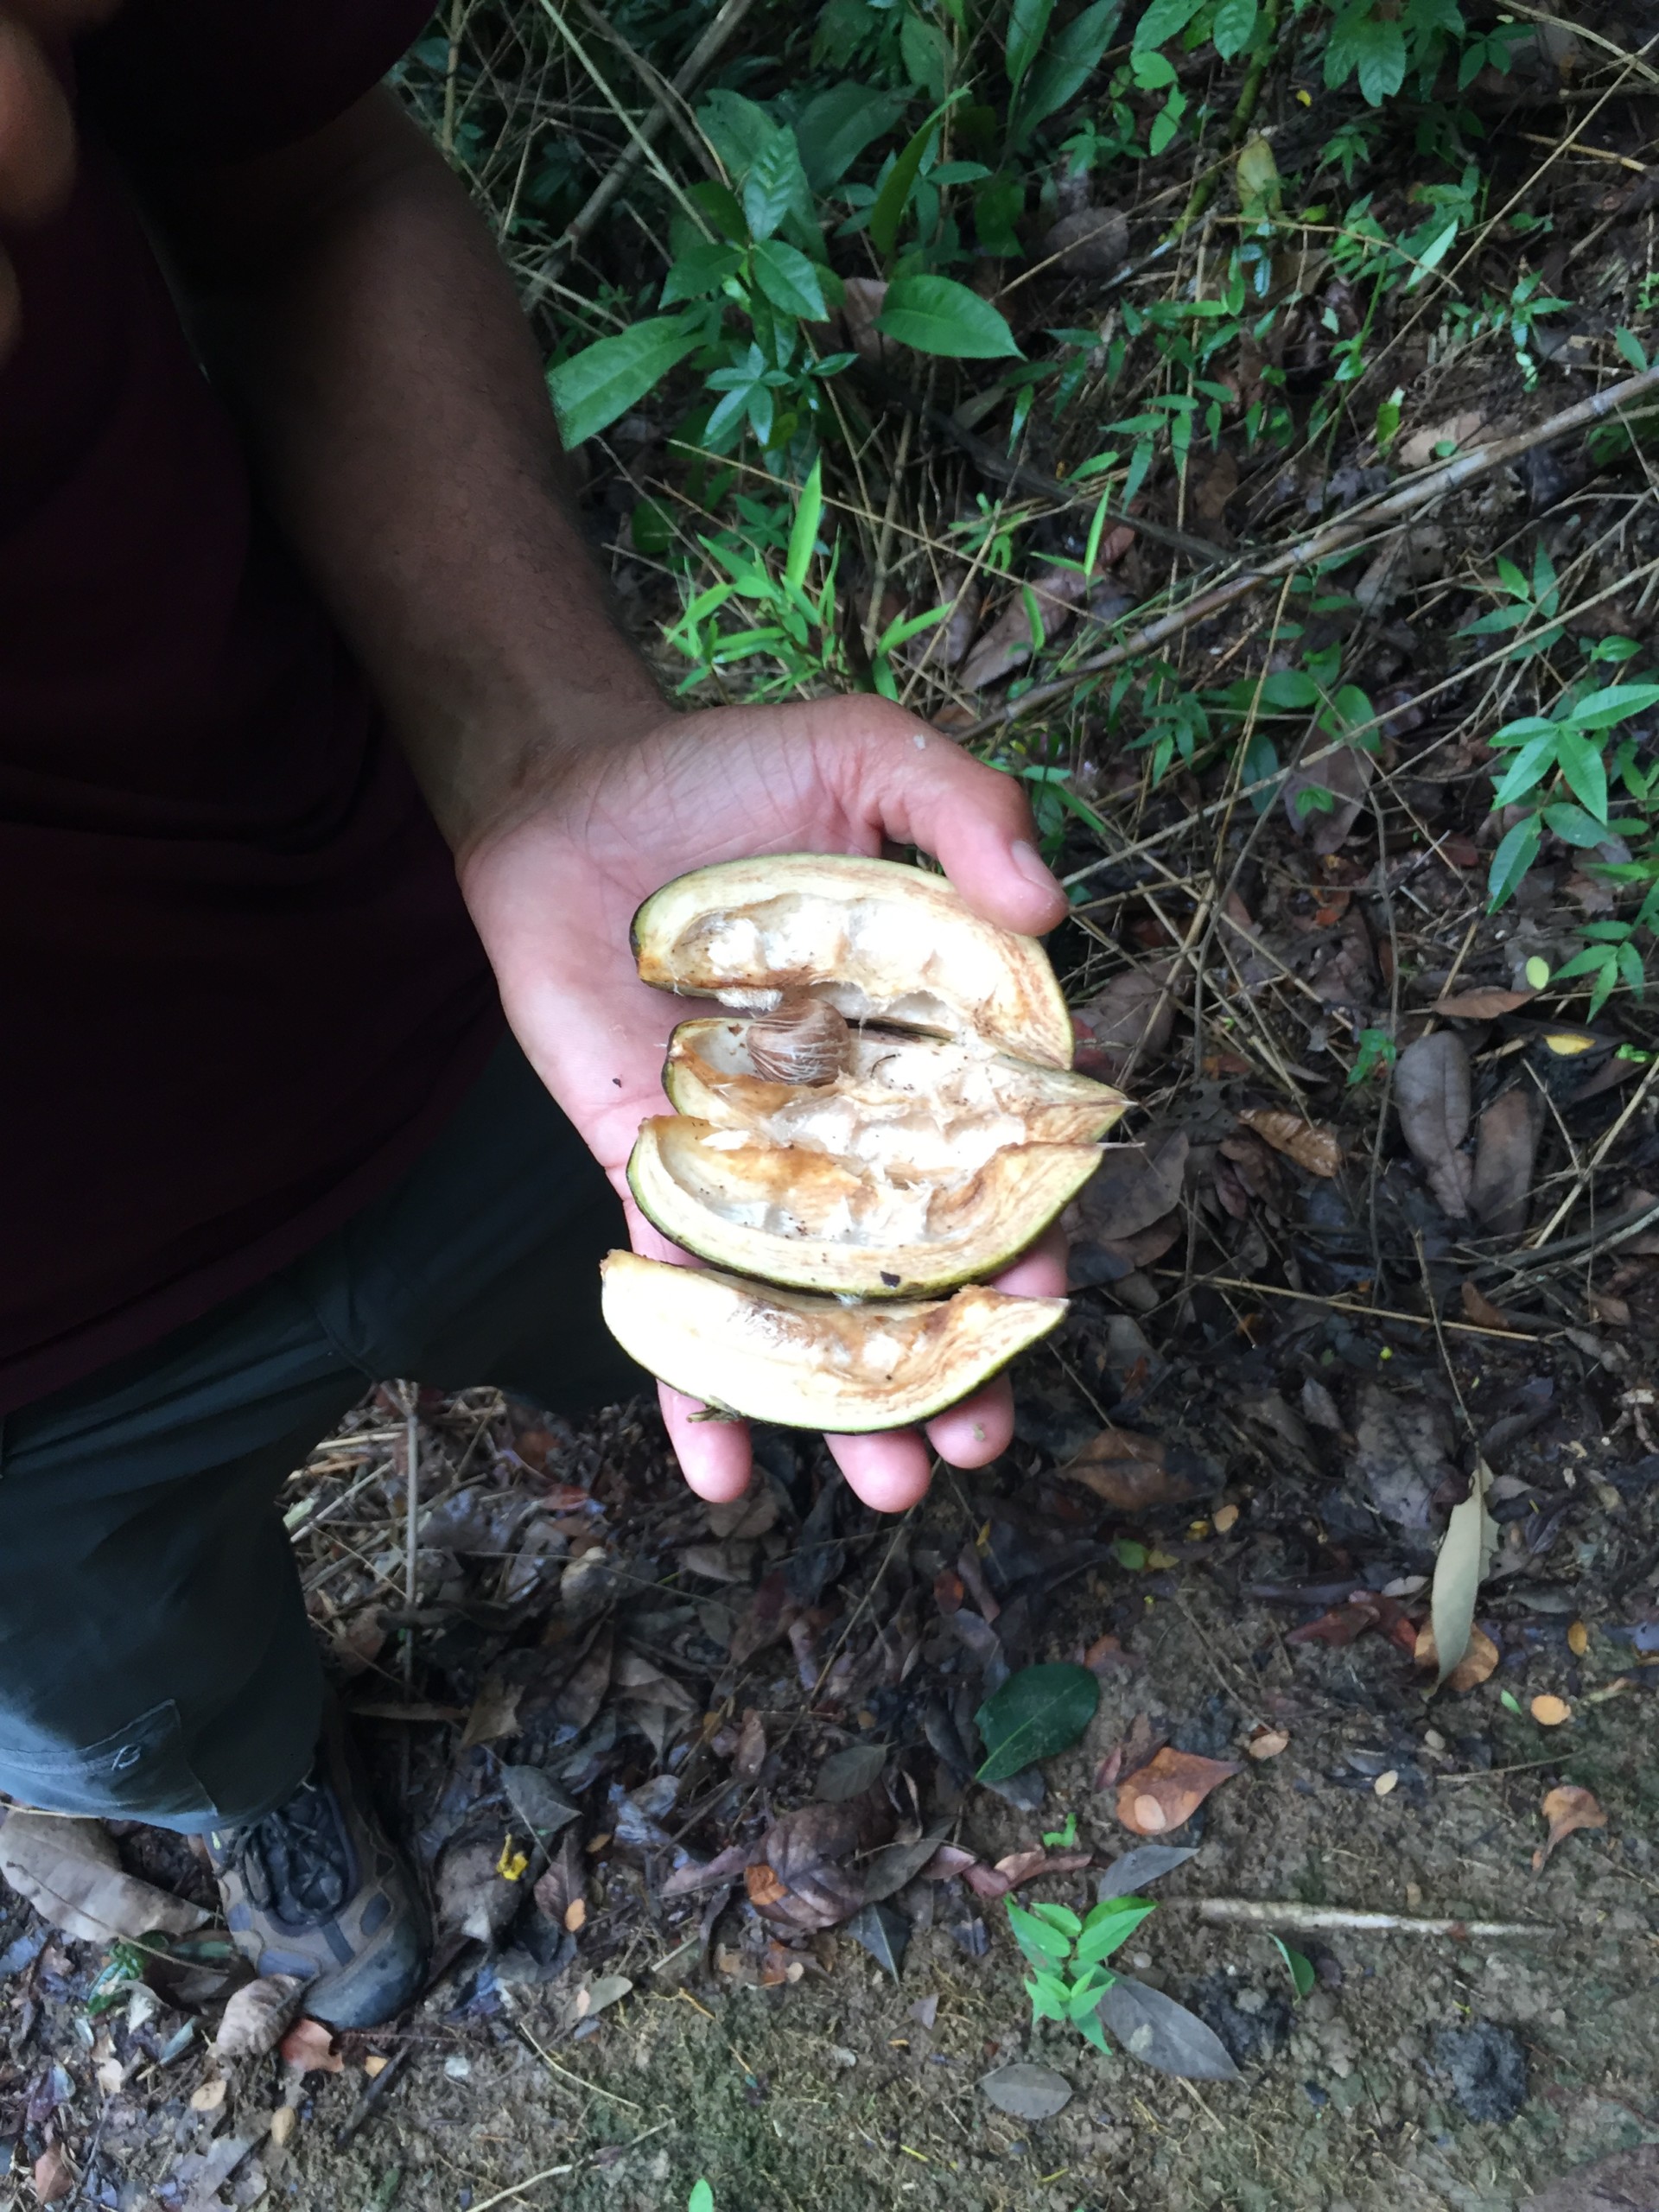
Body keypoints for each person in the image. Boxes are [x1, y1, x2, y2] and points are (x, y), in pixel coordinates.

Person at [0, 0, 1069, 2026]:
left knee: (744, 1337)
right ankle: (254, 1782)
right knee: (142, 1693)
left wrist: (543, 744)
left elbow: (298, 177)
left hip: (463, 989)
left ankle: (817, 1487)